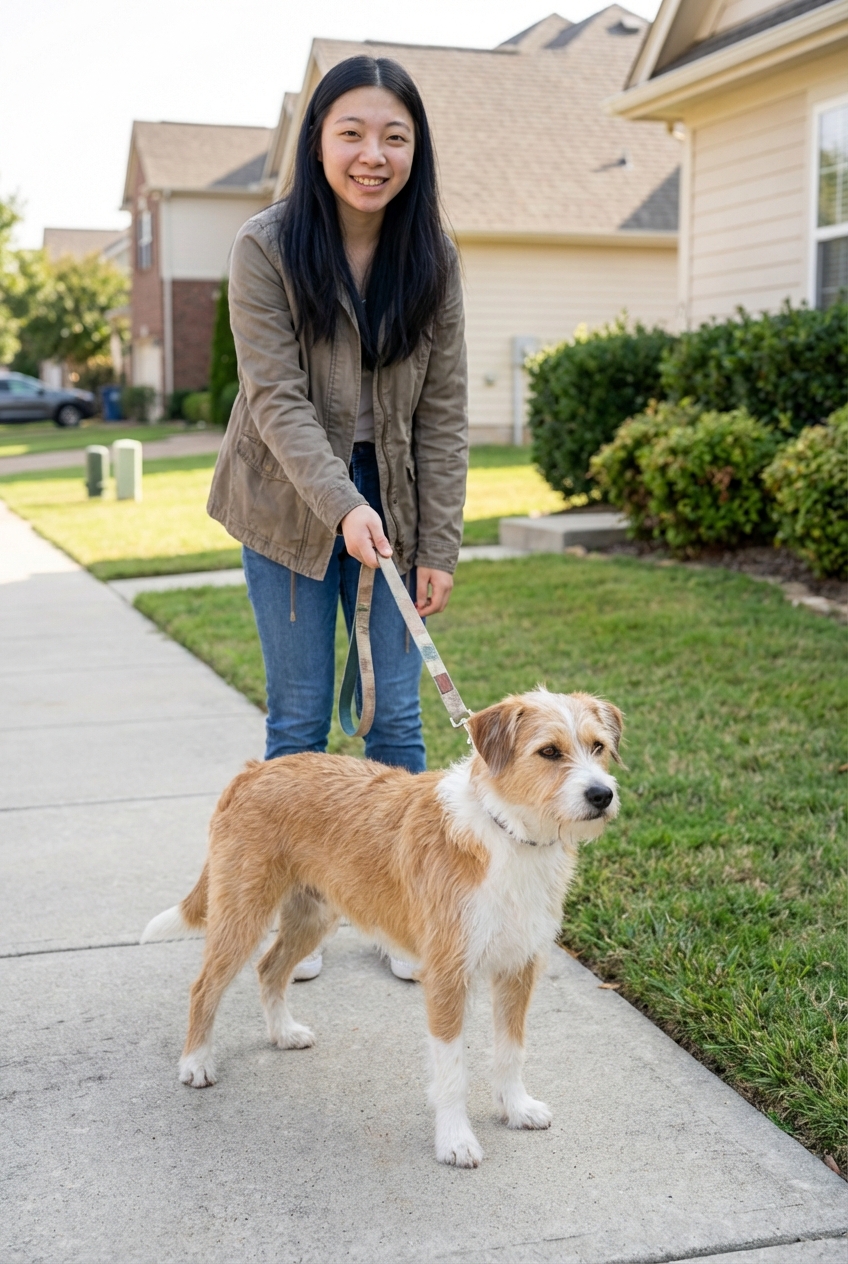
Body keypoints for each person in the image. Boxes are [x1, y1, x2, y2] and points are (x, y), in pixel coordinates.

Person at [207, 55, 469, 981]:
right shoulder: (266, 246)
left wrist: (438, 543)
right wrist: (343, 506)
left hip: (391, 499)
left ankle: (404, 921)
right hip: (283, 498)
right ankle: (294, 913)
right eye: (352, 132)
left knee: (399, 718)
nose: (373, 154)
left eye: (394, 136)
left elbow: (442, 413)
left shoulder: (432, 258)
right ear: (317, 140)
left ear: (415, 150)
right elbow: (275, 400)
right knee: (302, 716)